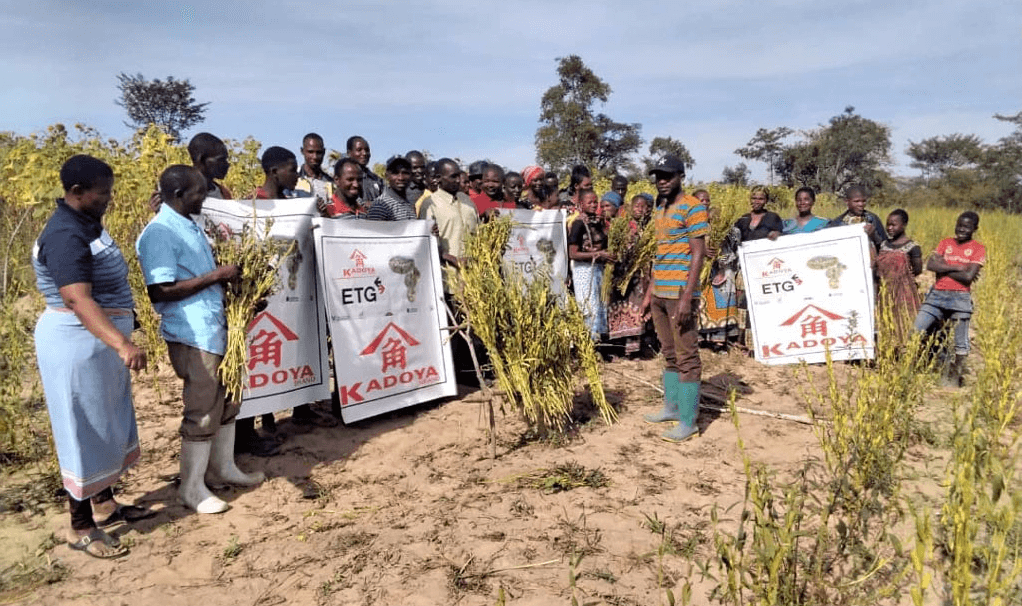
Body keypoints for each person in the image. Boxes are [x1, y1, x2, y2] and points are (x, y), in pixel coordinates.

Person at [34, 155, 153, 558]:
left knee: (104, 422)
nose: (109, 199)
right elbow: (77, 299)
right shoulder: (65, 234)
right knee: (81, 427)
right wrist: (122, 343)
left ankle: (104, 504)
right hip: (74, 343)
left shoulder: (84, 222)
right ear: (77, 192)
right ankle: (80, 526)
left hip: (94, 344)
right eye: (103, 194)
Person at [137, 165, 266, 514]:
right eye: (198, 193)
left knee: (228, 402)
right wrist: (218, 275)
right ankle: (191, 488)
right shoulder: (160, 232)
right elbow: (160, 290)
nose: (204, 199)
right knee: (203, 410)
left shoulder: (188, 224)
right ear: (179, 196)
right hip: (193, 334)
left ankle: (222, 469)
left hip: (215, 328)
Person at [252, 148, 338, 430]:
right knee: (268, 351)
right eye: (291, 169)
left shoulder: (294, 203)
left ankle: (302, 409)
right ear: (275, 172)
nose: (295, 175)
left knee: (302, 346)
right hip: (268, 294)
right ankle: (266, 418)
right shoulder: (253, 204)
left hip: (298, 288)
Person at [641, 156, 708, 442]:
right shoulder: (659, 206)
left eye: (667, 176)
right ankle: (671, 407)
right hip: (659, 292)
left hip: (679, 294)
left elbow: (698, 253)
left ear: (681, 176)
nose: (662, 181)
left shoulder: (693, 207)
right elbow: (661, 252)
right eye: (658, 177)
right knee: (668, 353)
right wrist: (649, 294)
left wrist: (686, 298)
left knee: (687, 357)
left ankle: (688, 421)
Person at [912, 211, 984, 387]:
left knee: (961, 343)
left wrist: (944, 268)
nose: (961, 229)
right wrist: (960, 267)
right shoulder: (946, 242)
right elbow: (931, 265)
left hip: (960, 299)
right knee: (916, 331)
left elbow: (968, 278)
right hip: (936, 295)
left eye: (967, 227)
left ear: (975, 229)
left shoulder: (978, 248)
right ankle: (915, 369)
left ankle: (953, 378)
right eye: (959, 225)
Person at [697, 190, 743, 348]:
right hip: (699, 271)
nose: (704, 202)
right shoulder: (689, 224)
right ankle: (702, 338)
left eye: (706, 200)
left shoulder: (725, 228)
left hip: (721, 271)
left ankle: (719, 340)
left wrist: (720, 256)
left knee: (720, 304)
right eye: (700, 200)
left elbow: (734, 249)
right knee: (703, 306)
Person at [568, 189, 614, 339]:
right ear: (581, 204)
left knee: (600, 305)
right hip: (583, 270)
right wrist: (599, 254)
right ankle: (589, 344)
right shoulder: (578, 224)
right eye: (590, 202)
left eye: (596, 202)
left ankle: (600, 343)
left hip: (598, 268)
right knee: (588, 306)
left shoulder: (598, 222)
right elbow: (573, 253)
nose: (594, 205)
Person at [419, 158, 479, 269]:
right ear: (438, 179)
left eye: (458, 176)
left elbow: (478, 232)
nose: (458, 180)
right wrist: (452, 259)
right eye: (453, 177)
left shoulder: (467, 201)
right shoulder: (430, 204)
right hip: (448, 273)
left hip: (473, 271)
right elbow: (426, 243)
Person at [149, 133, 233, 212]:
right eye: (221, 160)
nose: (227, 164)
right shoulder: (176, 191)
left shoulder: (222, 193)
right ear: (201, 159)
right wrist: (159, 210)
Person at [876, 209, 922, 343]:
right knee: (886, 321)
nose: (890, 228)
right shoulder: (884, 245)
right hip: (884, 290)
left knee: (904, 321)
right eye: (888, 224)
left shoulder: (912, 247)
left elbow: (917, 270)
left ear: (904, 225)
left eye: (893, 225)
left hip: (904, 291)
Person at [829, 185, 886, 250]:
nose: (861, 204)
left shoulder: (873, 219)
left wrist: (874, 235)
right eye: (856, 201)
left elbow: (885, 245)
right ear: (846, 201)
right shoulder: (837, 223)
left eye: (864, 201)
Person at [366, 156, 417, 221]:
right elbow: (374, 230)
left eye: (405, 173)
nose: (400, 178)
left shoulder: (407, 203)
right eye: (395, 173)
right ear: (387, 175)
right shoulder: (380, 206)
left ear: (411, 176)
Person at [292, 133, 332, 203]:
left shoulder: (331, 182)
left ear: (324, 152)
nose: (315, 157)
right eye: (310, 152)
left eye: (318, 152)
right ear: (302, 151)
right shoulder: (292, 179)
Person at [346, 136, 383, 203]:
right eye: (359, 150)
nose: (364, 153)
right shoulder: (344, 177)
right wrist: (363, 205)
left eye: (367, 150)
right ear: (349, 153)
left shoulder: (376, 179)